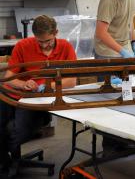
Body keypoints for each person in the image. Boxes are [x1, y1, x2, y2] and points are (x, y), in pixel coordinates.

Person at [0, 15, 77, 178]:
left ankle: (7, 164)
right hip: (14, 95)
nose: (43, 45)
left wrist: (48, 86)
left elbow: (72, 81)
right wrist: (24, 84)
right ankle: (5, 162)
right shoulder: (23, 45)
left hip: (36, 100)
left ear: (56, 32)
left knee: (16, 131)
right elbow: (9, 75)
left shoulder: (66, 47)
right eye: (39, 41)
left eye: (47, 41)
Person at [94, 0, 135, 155]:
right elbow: (101, 33)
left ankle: (123, 139)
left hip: (124, 50)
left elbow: (129, 20)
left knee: (126, 95)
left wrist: (134, 43)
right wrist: (121, 52)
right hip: (106, 52)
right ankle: (109, 146)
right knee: (108, 100)